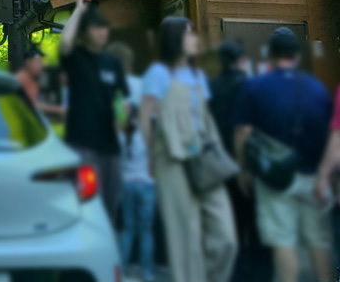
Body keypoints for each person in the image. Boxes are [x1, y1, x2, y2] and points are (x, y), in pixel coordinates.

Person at [139, 16, 237, 282]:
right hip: (170, 157)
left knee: (226, 238)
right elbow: (145, 117)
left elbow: (205, 117)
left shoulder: (197, 75)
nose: (195, 39)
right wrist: (150, 156)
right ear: (174, 39)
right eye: (189, 34)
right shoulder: (158, 74)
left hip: (204, 156)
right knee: (186, 238)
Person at [235, 27, 333, 282]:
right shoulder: (317, 89)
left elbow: (243, 133)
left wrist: (244, 167)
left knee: (283, 240)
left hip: (275, 177)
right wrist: (328, 175)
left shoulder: (255, 86)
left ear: (270, 55)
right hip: (313, 176)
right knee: (319, 239)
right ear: (297, 56)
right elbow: (331, 134)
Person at [59, 0, 129, 225]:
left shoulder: (112, 62)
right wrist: (78, 11)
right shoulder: (76, 58)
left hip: (110, 146)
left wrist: (121, 120)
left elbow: (121, 97)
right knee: (86, 205)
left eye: (104, 28)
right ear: (85, 31)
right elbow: (65, 43)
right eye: (96, 28)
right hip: (83, 144)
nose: (101, 33)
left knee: (110, 207)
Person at [210, 40, 269, 282]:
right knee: (252, 217)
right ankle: (256, 269)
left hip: (219, 161)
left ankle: (232, 270)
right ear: (241, 60)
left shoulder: (210, 86)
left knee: (229, 218)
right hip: (243, 159)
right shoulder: (248, 84)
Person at [118, 102, 156, 282]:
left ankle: (122, 268)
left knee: (127, 228)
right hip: (146, 184)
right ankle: (146, 271)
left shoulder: (120, 133)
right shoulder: (146, 133)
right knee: (146, 231)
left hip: (126, 184)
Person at [14, 45, 66, 120]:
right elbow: (32, 105)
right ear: (28, 62)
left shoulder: (33, 80)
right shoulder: (21, 79)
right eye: (38, 62)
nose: (41, 66)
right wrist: (58, 109)